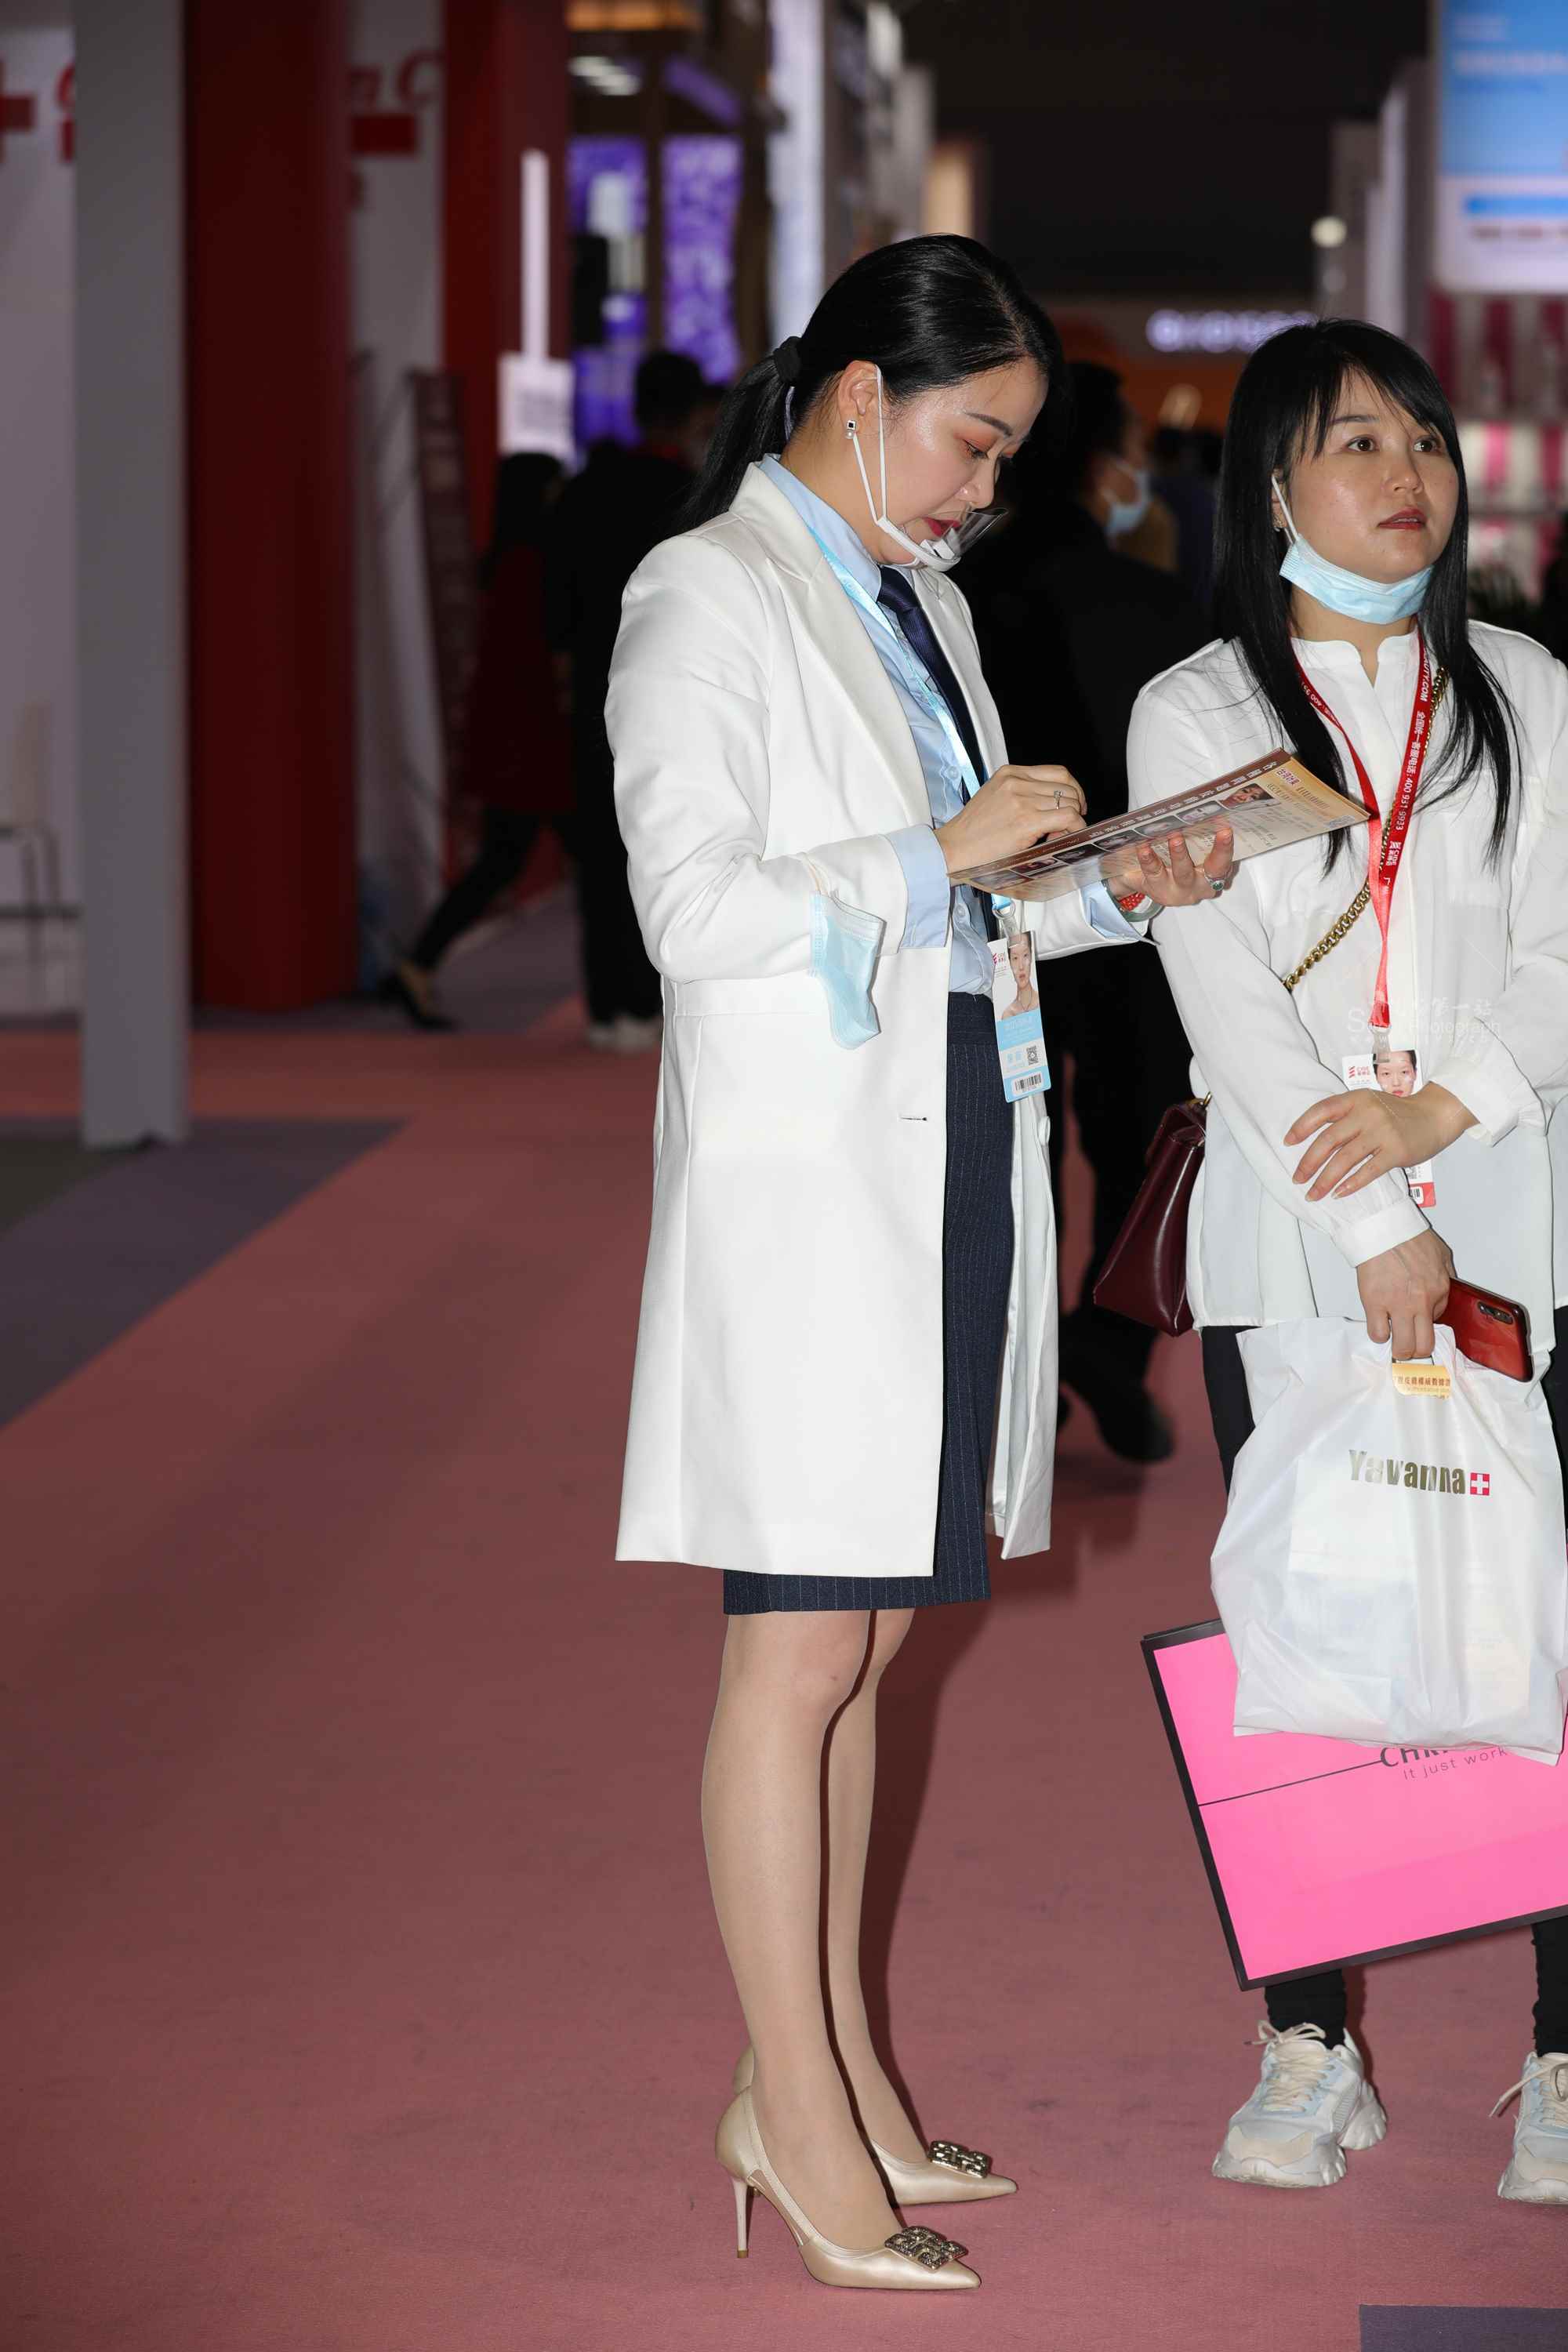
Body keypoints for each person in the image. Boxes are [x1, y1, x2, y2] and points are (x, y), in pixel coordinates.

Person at [608, 234, 1236, 2292]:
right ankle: (795, 2121)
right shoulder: (705, 592)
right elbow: (694, 910)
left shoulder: (922, 603)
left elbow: (968, 913)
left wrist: (1118, 885)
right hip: (810, 1192)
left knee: (870, 1643)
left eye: (1007, 455)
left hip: (955, 1143)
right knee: (797, 1653)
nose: (985, 489)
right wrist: (936, 855)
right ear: (863, 395)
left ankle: (839, 2079)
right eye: (972, 441)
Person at [1128, 317, 1568, 2201]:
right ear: (1270, 485)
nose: (1406, 477)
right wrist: (1376, 1220)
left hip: (1515, 1214)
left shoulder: (1528, 690)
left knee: (1540, 1615)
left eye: (1423, 441)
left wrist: (1439, 1114)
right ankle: (1308, 2041)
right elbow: (1223, 1002)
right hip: (1292, 1238)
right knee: (1298, 1628)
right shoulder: (1195, 713)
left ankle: (1562, 2053)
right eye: (1355, 443)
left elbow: (1562, 949)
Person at [968, 362, 1210, 1461]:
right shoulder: (1151, 603)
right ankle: (1107, 1341)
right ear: (1108, 461)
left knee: (1014, 1141)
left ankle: (1013, 1358)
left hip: (979, 919)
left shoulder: (950, 596)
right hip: (1129, 917)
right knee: (1141, 1140)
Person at [545, 350, 715, 1051]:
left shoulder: (585, 489)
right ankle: (646, 999)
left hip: (592, 690)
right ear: (693, 413)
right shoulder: (692, 493)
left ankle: (605, 1003)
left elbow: (554, 606)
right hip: (670, 691)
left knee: (599, 849)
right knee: (662, 838)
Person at [385, 454, 569, 1030]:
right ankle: (417, 964)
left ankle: (418, 964)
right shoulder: (529, 565)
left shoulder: (506, 561)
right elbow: (533, 666)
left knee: (503, 861)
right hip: (530, 743)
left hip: (517, 740)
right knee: (521, 862)